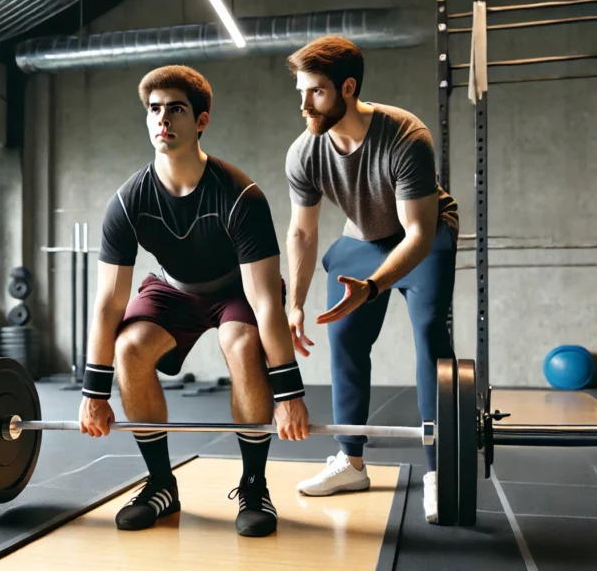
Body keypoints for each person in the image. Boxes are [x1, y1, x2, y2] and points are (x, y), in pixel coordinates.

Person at [77, 65, 310, 538]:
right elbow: (108, 304)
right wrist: (93, 392)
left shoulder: (240, 195)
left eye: (176, 109)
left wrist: (290, 395)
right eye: (154, 110)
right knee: (129, 349)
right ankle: (161, 485)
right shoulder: (127, 202)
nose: (163, 119)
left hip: (235, 289)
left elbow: (265, 301)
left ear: (201, 121)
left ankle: (253, 484)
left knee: (243, 344)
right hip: (173, 288)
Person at [281, 36, 459, 524]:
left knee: (430, 341)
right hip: (361, 238)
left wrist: (375, 286)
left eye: (316, 92)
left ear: (348, 87)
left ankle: (439, 470)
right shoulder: (306, 152)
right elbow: (301, 229)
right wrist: (294, 302)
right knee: (344, 339)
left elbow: (418, 235)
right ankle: (350, 461)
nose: (304, 104)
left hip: (424, 236)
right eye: (300, 91)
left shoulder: (405, 135)